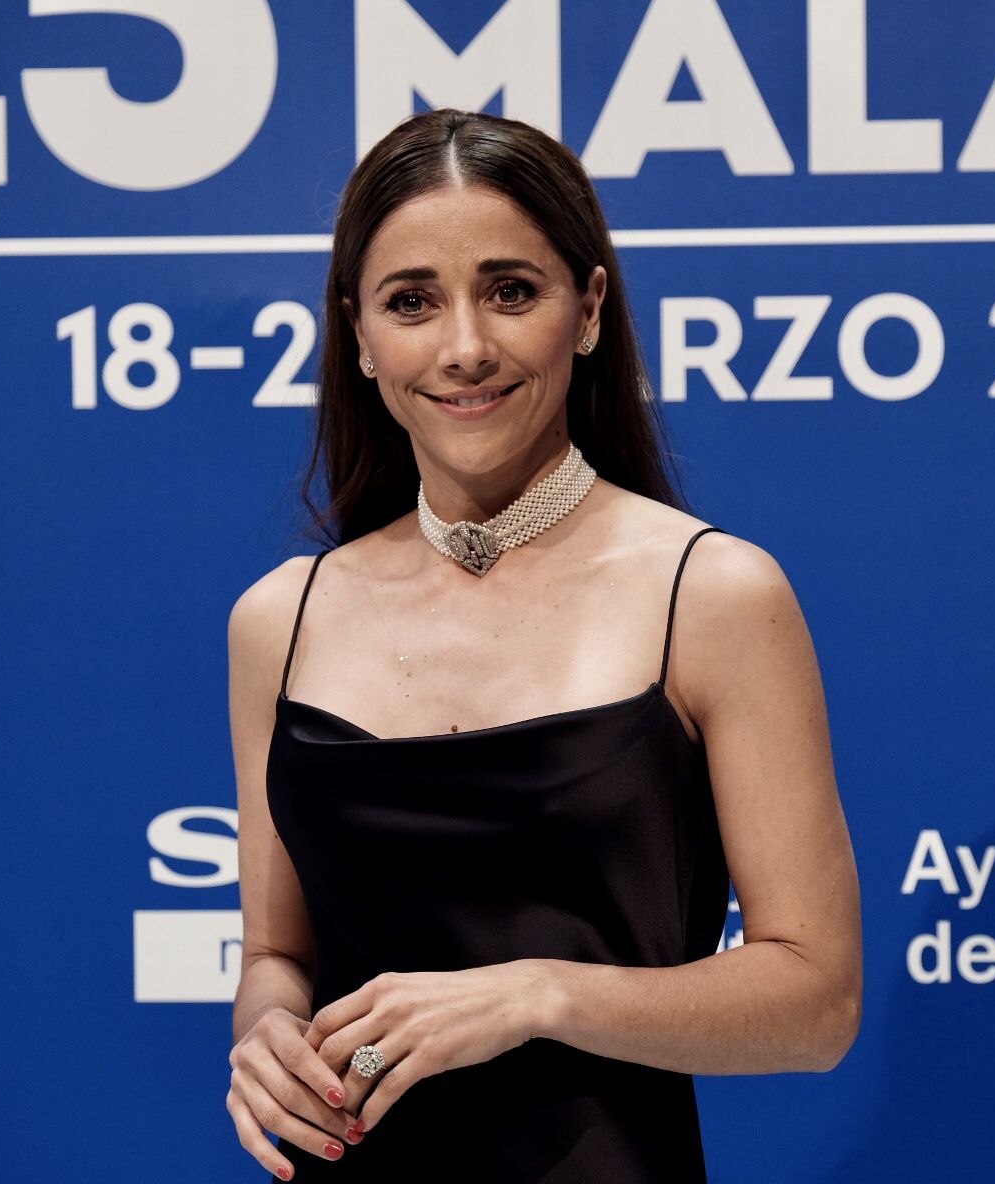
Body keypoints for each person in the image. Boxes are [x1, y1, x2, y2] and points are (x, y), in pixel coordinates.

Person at [223, 107, 862, 1182]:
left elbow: (818, 1000)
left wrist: (540, 992)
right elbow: (280, 951)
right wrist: (267, 1033)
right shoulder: (279, 618)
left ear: (589, 308)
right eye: (412, 301)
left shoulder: (710, 592)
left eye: (512, 290)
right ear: (361, 337)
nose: (465, 345)